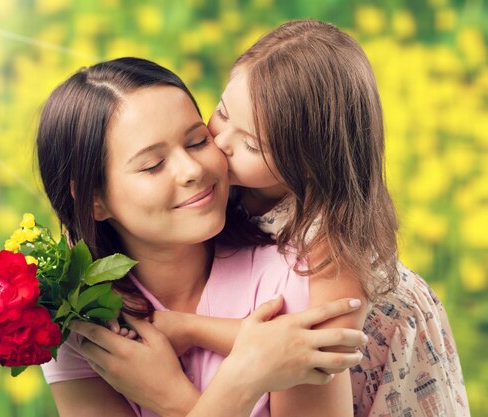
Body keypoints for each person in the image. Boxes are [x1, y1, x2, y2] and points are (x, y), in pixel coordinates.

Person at [88, 19, 469, 417]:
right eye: (221, 112)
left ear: (307, 164)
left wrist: (188, 329)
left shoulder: (334, 239)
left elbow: (309, 348)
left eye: (250, 143)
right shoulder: (236, 187)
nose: (219, 144)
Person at [36, 57, 368, 417]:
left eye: (197, 141)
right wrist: (241, 380)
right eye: (153, 165)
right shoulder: (80, 318)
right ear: (94, 200)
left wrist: (175, 399)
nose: (193, 170)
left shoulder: (298, 276)